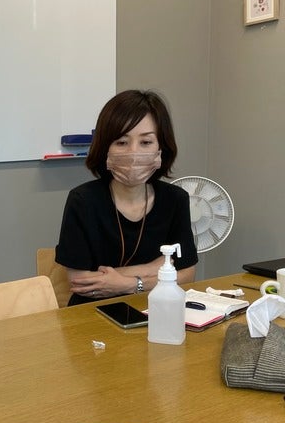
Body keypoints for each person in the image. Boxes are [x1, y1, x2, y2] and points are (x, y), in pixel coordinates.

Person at [55, 89, 198, 306]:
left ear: (161, 147)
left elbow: (187, 275)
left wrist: (126, 283)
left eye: (146, 142)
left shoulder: (175, 199)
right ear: (105, 148)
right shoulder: (83, 200)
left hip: (155, 308)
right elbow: (81, 281)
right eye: (121, 142)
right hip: (92, 311)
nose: (133, 153)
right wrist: (157, 267)